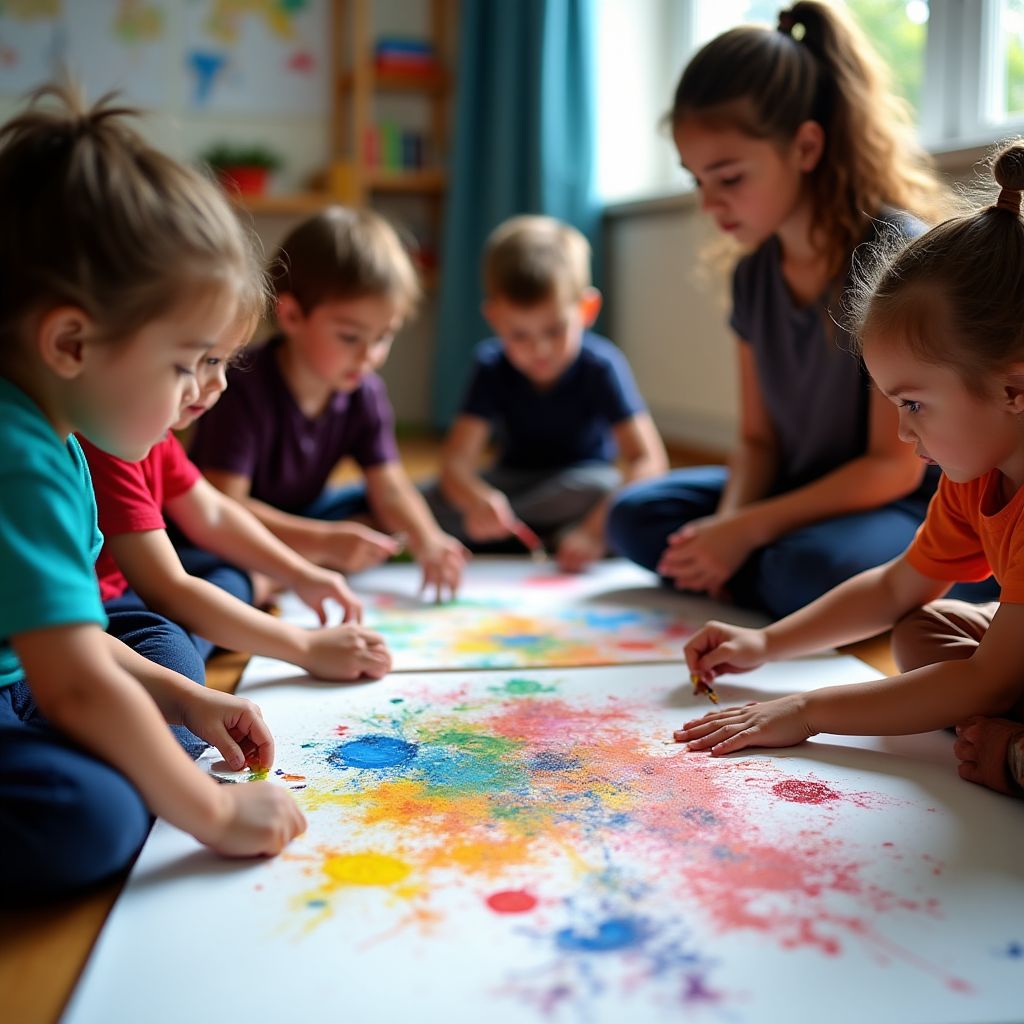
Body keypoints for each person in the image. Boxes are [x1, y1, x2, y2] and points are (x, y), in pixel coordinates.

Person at [0, 87, 306, 906]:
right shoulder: (16, 452)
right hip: (31, 682)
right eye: (184, 365)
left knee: (167, 677)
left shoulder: (54, 432)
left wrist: (182, 694)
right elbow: (69, 680)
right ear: (71, 343)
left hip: (25, 670)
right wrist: (208, 810)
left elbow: (72, 641)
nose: (196, 396)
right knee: (91, 819)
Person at [675, 142, 1024, 803]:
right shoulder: (974, 477)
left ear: (1015, 390)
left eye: (914, 404)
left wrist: (808, 710)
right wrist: (766, 643)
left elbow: (984, 684)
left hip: (998, 684)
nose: (902, 431)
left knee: (977, 678)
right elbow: (899, 586)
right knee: (923, 631)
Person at [606, 1, 967, 617]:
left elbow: (892, 469)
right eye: (697, 180)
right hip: (801, 490)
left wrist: (744, 534)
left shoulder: (890, 253)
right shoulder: (754, 276)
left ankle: (945, 577)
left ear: (804, 146)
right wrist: (729, 524)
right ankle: (769, 575)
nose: (709, 204)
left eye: (729, 177)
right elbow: (755, 439)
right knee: (636, 517)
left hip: (899, 504)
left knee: (802, 569)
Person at [80, 311, 392, 694]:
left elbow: (213, 513)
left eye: (225, 362)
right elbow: (169, 588)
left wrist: (300, 574)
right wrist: (305, 646)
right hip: (93, 613)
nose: (219, 383)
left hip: (127, 589)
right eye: (206, 361)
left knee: (232, 576)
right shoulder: (113, 439)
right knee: (176, 669)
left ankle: (209, 627)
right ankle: (200, 635)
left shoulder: (151, 434)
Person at [190, 206, 468, 601]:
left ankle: (298, 565)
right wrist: (323, 541)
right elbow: (223, 503)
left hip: (307, 513)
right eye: (351, 337)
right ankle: (281, 572)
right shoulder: (241, 384)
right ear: (291, 315)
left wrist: (427, 539)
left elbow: (389, 488)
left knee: (389, 508)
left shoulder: (364, 391)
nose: (370, 356)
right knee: (222, 579)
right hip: (230, 527)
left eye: (384, 337)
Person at [424, 215, 668, 573]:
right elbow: (456, 464)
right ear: (494, 319)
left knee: (607, 487)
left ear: (586, 311)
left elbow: (648, 462)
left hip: (579, 486)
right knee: (422, 497)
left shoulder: (601, 365)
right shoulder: (491, 365)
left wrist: (592, 530)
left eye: (554, 331)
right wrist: (479, 499)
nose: (538, 350)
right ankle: (531, 532)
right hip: (513, 484)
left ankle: (532, 535)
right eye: (519, 335)